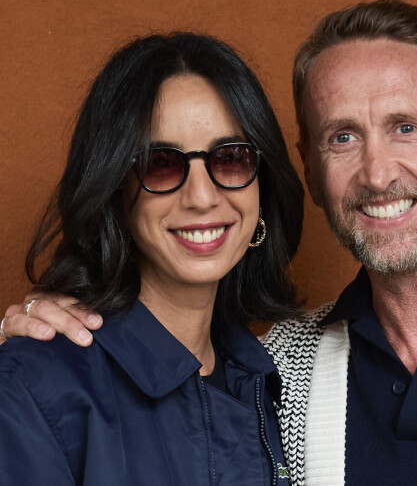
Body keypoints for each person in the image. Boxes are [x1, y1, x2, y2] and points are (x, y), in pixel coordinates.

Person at [3, 0, 417, 485]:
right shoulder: (285, 370)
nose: (378, 174)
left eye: (406, 126)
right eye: (343, 136)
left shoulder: (255, 380)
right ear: (308, 171)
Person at [0, 32, 304, 485]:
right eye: (161, 163)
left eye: (231, 159)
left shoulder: (262, 374)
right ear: (114, 188)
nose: (202, 197)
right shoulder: (33, 387)